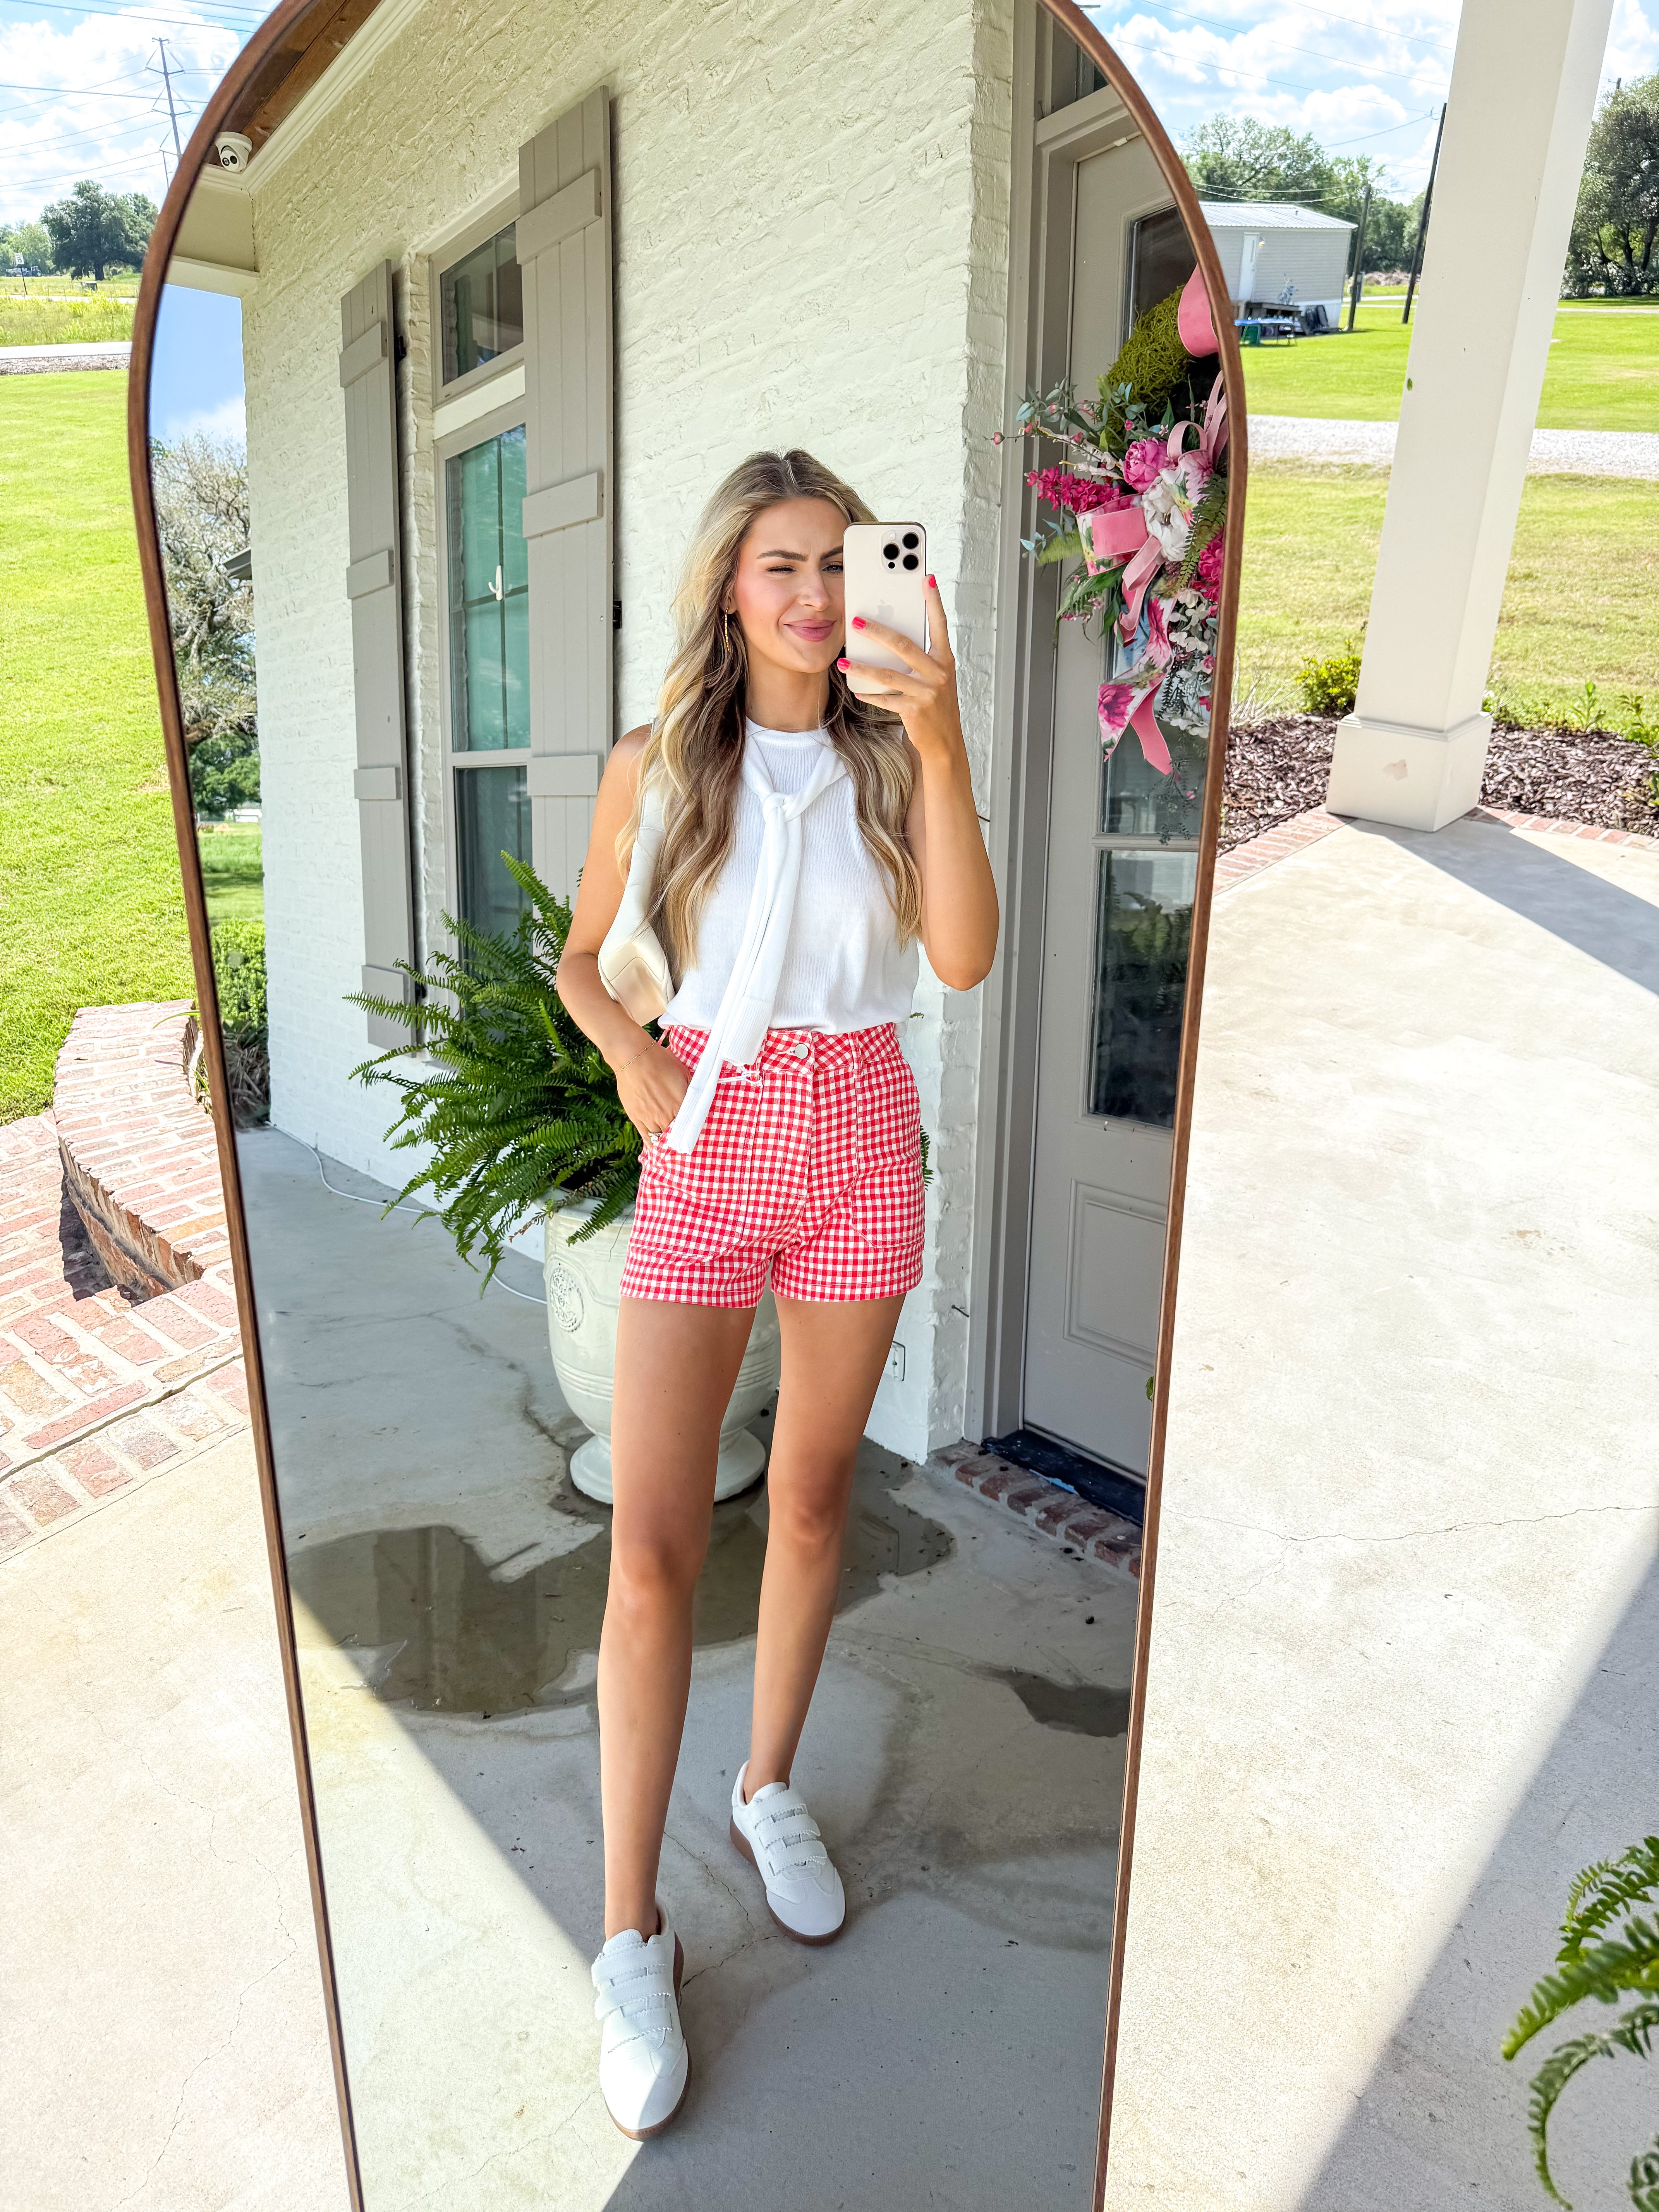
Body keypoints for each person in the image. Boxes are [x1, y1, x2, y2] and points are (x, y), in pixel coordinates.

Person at [556, 448, 998, 2136]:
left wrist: (943, 740)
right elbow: (586, 961)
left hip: (862, 1127)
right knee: (655, 1546)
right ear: (732, 592)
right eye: (784, 568)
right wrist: (628, 1068)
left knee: (812, 1501)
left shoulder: (899, 762)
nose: (818, 598)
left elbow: (958, 956)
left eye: (841, 565)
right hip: (712, 1133)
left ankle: (764, 1790)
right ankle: (627, 1936)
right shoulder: (659, 768)